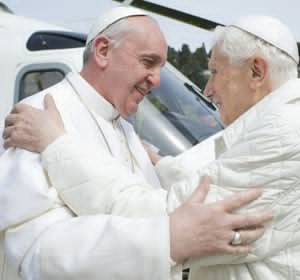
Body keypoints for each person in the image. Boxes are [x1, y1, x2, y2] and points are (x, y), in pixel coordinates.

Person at [0, 7, 272, 280]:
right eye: (147, 62)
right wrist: (167, 240)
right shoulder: (36, 118)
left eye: (159, 68)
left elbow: (141, 205)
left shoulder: (126, 129)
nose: (155, 80)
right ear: (103, 51)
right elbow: (35, 254)